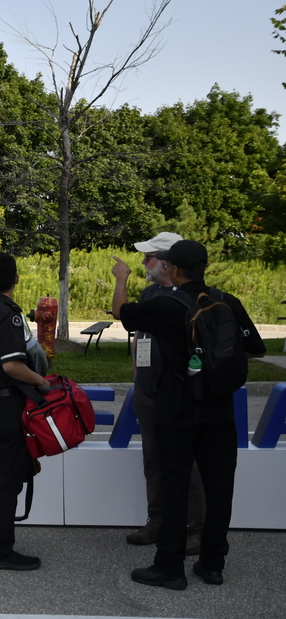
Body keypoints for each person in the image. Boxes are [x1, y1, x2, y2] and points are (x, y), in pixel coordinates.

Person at [112, 240, 265, 589]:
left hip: (176, 408)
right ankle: (212, 564)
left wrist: (122, 278)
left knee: (175, 483)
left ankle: (169, 567)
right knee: (219, 488)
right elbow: (254, 348)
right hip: (219, 409)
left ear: (173, 269)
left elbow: (121, 311)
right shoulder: (225, 301)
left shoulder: (166, 304)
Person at [0, 251, 51, 571]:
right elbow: (13, 365)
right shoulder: (7, 314)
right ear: (16, 279)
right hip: (5, 406)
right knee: (9, 480)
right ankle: (0, 552)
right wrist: (41, 381)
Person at [124, 232, 206, 555]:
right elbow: (138, 336)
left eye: (149, 257)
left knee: (190, 464)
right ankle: (157, 522)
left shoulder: (194, 298)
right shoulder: (150, 294)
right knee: (153, 460)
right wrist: (137, 376)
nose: (144, 263)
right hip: (148, 391)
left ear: (169, 262)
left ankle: (196, 529)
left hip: (179, 394)